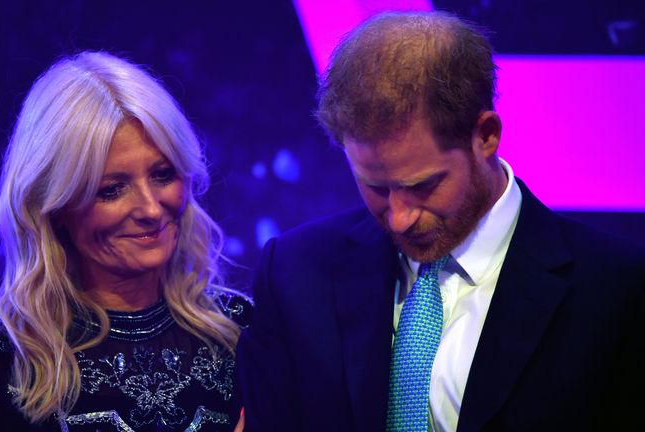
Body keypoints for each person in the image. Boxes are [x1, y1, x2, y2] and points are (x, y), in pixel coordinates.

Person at [236, 11, 645, 432]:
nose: (398, 218)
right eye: (375, 187)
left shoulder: (616, 291)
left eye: (422, 185)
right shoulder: (295, 273)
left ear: (485, 135)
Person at [0, 51, 251, 432]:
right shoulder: (1, 351)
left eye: (162, 175)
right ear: (54, 205)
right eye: (112, 189)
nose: (151, 209)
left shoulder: (242, 330)